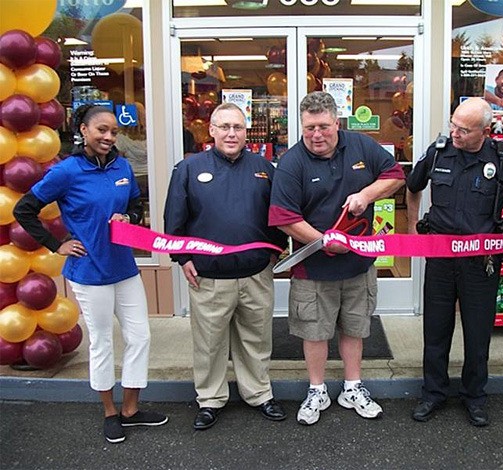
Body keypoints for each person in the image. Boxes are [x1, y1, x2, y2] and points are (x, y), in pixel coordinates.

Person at [13, 105, 167, 444]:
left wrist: (130, 217)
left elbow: (134, 206)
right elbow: (23, 209)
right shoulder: (66, 172)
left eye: (113, 131)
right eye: (101, 130)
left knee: (139, 337)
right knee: (102, 343)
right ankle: (110, 412)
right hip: (89, 271)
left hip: (125, 268)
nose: (109, 137)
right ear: (83, 130)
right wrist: (56, 245)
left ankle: (131, 409)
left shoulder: (123, 166)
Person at [269, 92, 405, 425]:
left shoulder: (361, 146)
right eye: (309, 128)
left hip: (358, 264)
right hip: (313, 267)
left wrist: (365, 194)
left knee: (355, 327)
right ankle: (316, 390)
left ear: (337, 122)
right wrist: (326, 242)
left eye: (324, 127)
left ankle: (352, 387)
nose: (317, 135)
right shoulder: (292, 162)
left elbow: (396, 176)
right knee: (314, 331)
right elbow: (284, 217)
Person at [405, 97, 503, 427]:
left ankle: (474, 396)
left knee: (478, 334)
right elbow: (412, 187)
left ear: (485, 130)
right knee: (435, 330)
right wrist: (412, 228)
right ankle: (433, 393)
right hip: (440, 257)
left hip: (482, 262)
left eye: (464, 130)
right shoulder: (438, 152)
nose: (455, 133)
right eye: (453, 124)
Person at [163, 102, 288, 430]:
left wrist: (274, 253)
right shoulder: (188, 169)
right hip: (208, 277)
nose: (231, 133)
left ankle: (259, 393)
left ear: (246, 132)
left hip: (255, 275)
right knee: (209, 343)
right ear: (212, 131)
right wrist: (182, 257)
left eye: (238, 127)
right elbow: (174, 218)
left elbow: (277, 217)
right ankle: (210, 399)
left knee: (257, 339)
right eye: (225, 127)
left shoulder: (264, 168)